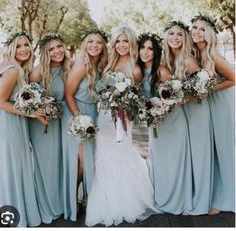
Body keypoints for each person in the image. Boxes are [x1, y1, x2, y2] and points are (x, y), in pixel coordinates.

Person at [85, 26, 158, 227]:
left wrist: (124, 107)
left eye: (126, 41)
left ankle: (126, 200)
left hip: (123, 121)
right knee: (103, 157)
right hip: (104, 118)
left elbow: (137, 99)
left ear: (131, 43)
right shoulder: (107, 63)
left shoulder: (134, 68)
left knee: (122, 156)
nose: (122, 45)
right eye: (118, 41)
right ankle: (106, 197)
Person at [137, 30, 193, 215]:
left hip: (173, 121)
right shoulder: (137, 71)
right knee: (159, 161)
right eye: (142, 48)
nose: (145, 52)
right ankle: (162, 196)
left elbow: (176, 95)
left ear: (156, 52)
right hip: (156, 123)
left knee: (176, 161)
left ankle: (182, 201)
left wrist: (161, 109)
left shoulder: (161, 70)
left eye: (150, 49)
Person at [163, 21, 214, 215]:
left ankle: (201, 203)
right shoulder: (168, 60)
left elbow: (202, 90)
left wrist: (181, 100)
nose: (174, 38)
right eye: (171, 34)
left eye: (179, 34)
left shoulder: (189, 60)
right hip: (184, 113)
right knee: (190, 157)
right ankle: (188, 197)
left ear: (184, 38)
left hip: (198, 111)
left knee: (200, 157)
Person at [191, 14, 235, 214]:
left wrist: (209, 90)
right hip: (207, 106)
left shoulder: (214, 56)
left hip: (221, 105)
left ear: (208, 33)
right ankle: (216, 193)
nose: (197, 32)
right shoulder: (195, 55)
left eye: (201, 29)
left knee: (225, 149)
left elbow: (233, 79)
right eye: (194, 28)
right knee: (213, 151)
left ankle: (228, 198)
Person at [0, 31, 44, 227]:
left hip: (13, 122)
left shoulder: (15, 68)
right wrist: (30, 113)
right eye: (18, 46)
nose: (24, 49)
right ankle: (12, 215)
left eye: (26, 44)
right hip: (9, 124)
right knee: (13, 168)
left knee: (12, 168)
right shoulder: (13, 70)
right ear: (10, 48)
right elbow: (0, 101)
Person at [64, 29, 108, 221]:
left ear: (103, 46)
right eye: (90, 42)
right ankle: (72, 199)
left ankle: (87, 198)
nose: (94, 45)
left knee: (89, 159)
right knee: (81, 161)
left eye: (98, 42)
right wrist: (79, 119)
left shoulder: (101, 65)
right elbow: (68, 94)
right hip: (77, 112)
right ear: (84, 44)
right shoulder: (82, 63)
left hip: (92, 113)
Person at [29, 33, 72, 223]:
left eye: (59, 46)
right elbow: (27, 100)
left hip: (61, 122)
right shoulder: (38, 72)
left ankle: (60, 203)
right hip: (42, 125)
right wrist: (41, 115)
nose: (57, 51)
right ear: (45, 53)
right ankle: (47, 205)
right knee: (46, 165)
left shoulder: (68, 68)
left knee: (59, 163)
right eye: (51, 49)